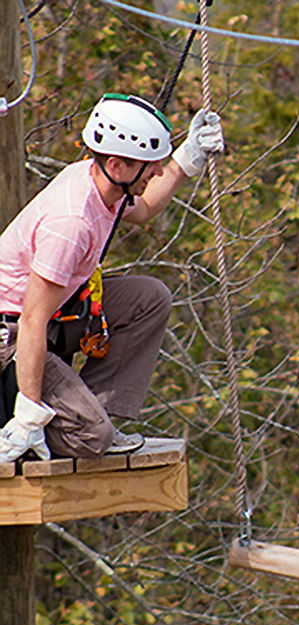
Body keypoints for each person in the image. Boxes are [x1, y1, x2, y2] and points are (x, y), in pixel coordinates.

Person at [0, 93, 224, 463]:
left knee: (147, 298)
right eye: (150, 165)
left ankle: (85, 409)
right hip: (13, 332)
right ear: (117, 165)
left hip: (51, 313)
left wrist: (188, 158)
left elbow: (146, 207)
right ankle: (49, 424)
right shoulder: (70, 223)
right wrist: (28, 416)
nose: (156, 172)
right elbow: (32, 320)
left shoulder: (102, 183)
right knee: (91, 439)